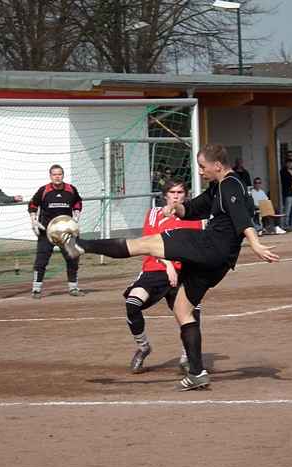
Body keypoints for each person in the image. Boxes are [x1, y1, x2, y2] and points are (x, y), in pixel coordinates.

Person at [61, 144, 280, 391]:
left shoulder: (231, 184)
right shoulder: (218, 186)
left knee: (146, 244)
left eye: (202, 166)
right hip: (218, 262)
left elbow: (242, 218)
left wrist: (256, 244)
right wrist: (176, 208)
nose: (199, 171)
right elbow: (195, 208)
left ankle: (81, 246)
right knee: (183, 308)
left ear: (217, 165)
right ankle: (197, 372)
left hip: (209, 247)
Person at [125, 178, 203, 374]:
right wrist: (167, 264)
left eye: (180, 192)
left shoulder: (193, 218)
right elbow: (148, 243)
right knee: (132, 303)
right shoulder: (153, 214)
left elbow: (192, 248)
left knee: (192, 313)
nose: (176, 196)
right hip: (154, 270)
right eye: (172, 192)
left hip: (182, 273)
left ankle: (186, 356)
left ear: (186, 195)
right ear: (165, 195)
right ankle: (143, 347)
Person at [28, 164, 84, 298]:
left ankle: (73, 287)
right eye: (54, 174)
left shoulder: (71, 189)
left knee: (73, 258)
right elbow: (32, 204)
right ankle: (36, 289)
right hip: (47, 232)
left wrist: (76, 214)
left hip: (66, 232)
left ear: (63, 175)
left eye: (59, 174)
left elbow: (78, 202)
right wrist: (34, 220)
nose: (57, 177)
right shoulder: (44, 190)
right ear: (50, 176)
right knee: (41, 260)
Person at [280, 158, 292, 230]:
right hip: (289, 193)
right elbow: (287, 181)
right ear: (286, 164)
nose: (290, 164)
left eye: (291, 163)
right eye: (288, 163)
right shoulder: (283, 171)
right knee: (287, 210)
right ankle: (286, 225)